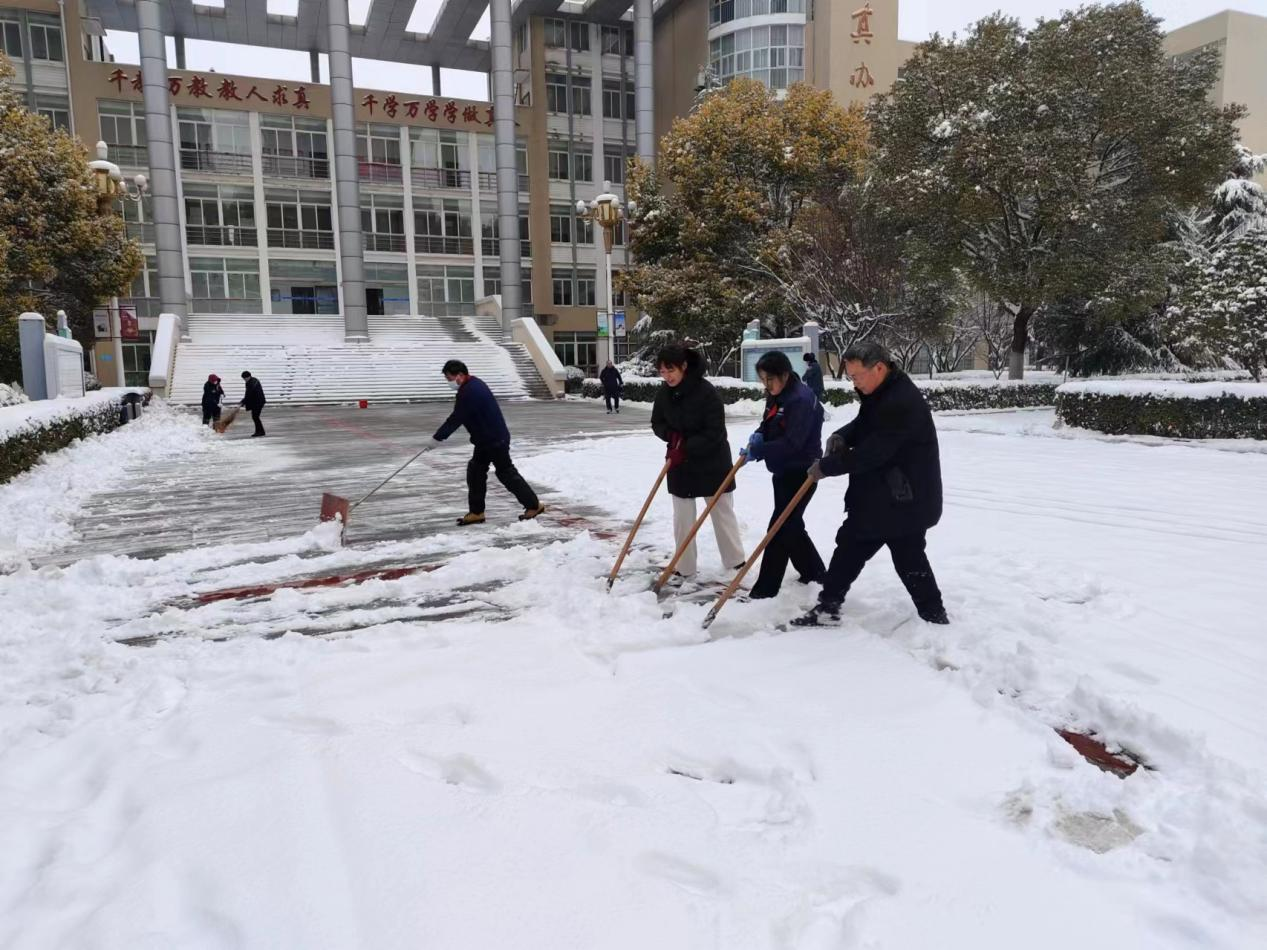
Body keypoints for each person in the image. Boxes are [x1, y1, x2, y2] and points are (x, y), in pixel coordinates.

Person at [792, 341, 948, 627]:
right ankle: (830, 606)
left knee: (898, 555)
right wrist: (842, 436)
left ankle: (934, 616)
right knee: (861, 548)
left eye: (856, 376)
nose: (854, 383)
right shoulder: (884, 391)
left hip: (903, 498)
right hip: (888, 496)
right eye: (850, 377)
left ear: (878, 368)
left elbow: (873, 453)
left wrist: (827, 467)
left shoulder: (899, 402)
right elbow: (866, 425)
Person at [650, 343, 745, 580]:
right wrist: (670, 436)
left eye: (670, 370)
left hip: (711, 461)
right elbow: (657, 422)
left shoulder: (706, 392)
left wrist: (687, 447)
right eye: (662, 371)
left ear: (683, 366)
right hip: (679, 463)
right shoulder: (664, 393)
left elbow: (715, 432)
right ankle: (685, 566)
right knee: (682, 516)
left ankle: (735, 561)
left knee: (721, 511)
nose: (667, 376)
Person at [419, 359, 545, 526]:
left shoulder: (470, 391)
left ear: (460, 375)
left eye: (449, 379)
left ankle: (533, 506)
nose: (449, 382)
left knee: (505, 472)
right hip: (485, 439)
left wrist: (437, 438)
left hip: (493, 439)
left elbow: (456, 418)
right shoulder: (472, 385)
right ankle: (477, 512)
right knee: (476, 471)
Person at [743, 351, 826, 599]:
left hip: (802, 472)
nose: (766, 385)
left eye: (770, 379)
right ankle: (815, 573)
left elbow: (794, 443)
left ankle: (765, 590)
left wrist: (762, 449)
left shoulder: (800, 400)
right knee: (791, 525)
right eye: (763, 380)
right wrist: (758, 437)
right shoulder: (778, 395)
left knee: (779, 528)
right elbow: (769, 423)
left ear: (785, 374)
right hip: (782, 469)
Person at [239, 371, 266, 437]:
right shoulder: (252, 381)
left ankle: (260, 432)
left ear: (248, 377)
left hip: (258, 402)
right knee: (255, 417)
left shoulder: (252, 383)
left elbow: (249, 394)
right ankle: (260, 431)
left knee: (255, 417)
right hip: (257, 401)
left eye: (244, 378)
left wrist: (243, 401)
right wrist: (244, 400)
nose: (244, 380)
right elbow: (248, 393)